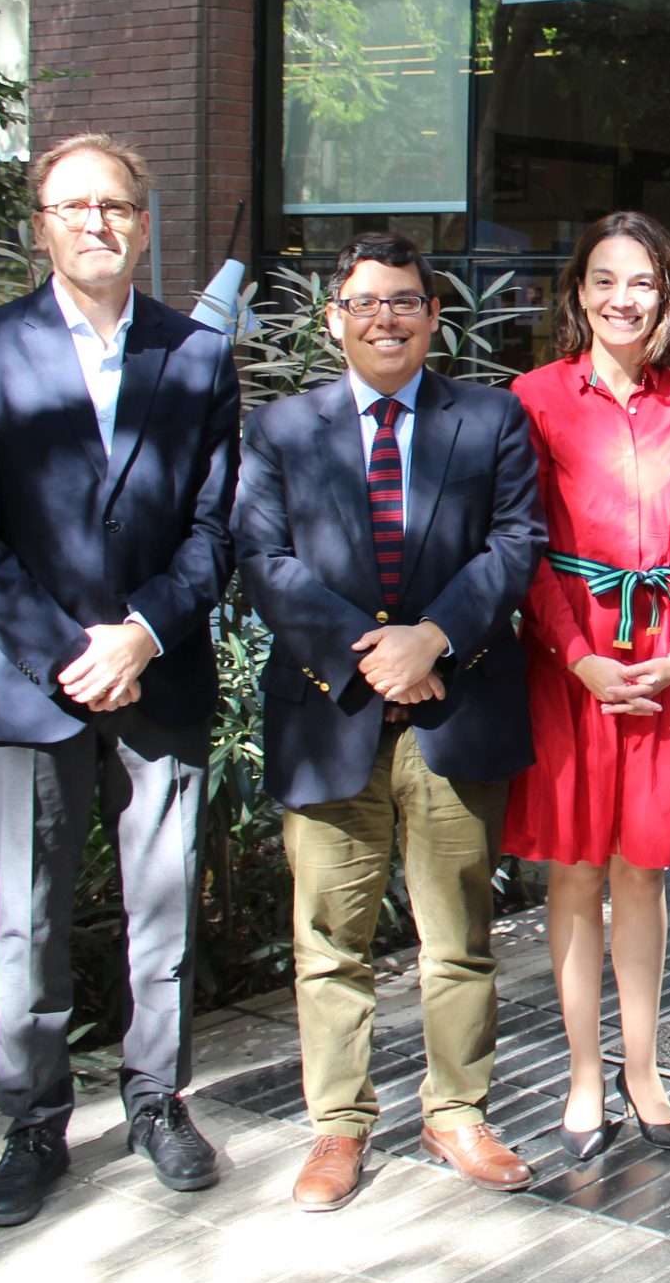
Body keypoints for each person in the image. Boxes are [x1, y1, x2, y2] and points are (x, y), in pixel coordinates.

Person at [0, 134, 240, 1227]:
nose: (96, 222)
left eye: (116, 205)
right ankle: (32, 1123)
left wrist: (144, 633)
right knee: (29, 916)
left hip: (161, 673)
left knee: (163, 910)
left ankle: (157, 1101)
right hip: (27, 684)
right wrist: (72, 650)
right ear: (41, 225)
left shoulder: (196, 357)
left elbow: (214, 528)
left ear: (145, 224)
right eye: (73, 206)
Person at [234, 231, 546, 1211]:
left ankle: (457, 1110)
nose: (385, 318)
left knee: (458, 932)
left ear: (432, 316)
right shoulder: (280, 430)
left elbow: (515, 541)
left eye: (404, 301)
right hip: (330, 710)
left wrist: (436, 638)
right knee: (331, 936)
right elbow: (264, 562)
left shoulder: (490, 419)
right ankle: (338, 1126)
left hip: (458, 706)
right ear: (334, 319)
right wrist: (374, 653)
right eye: (365, 302)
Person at [503, 212, 670, 1161]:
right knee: (576, 871)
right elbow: (520, 543)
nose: (621, 297)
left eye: (640, 280)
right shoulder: (533, 398)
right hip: (572, 662)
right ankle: (584, 1075)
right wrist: (577, 655)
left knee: (643, 871)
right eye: (603, 279)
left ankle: (643, 1069)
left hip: (660, 662)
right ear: (578, 292)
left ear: (667, 294)